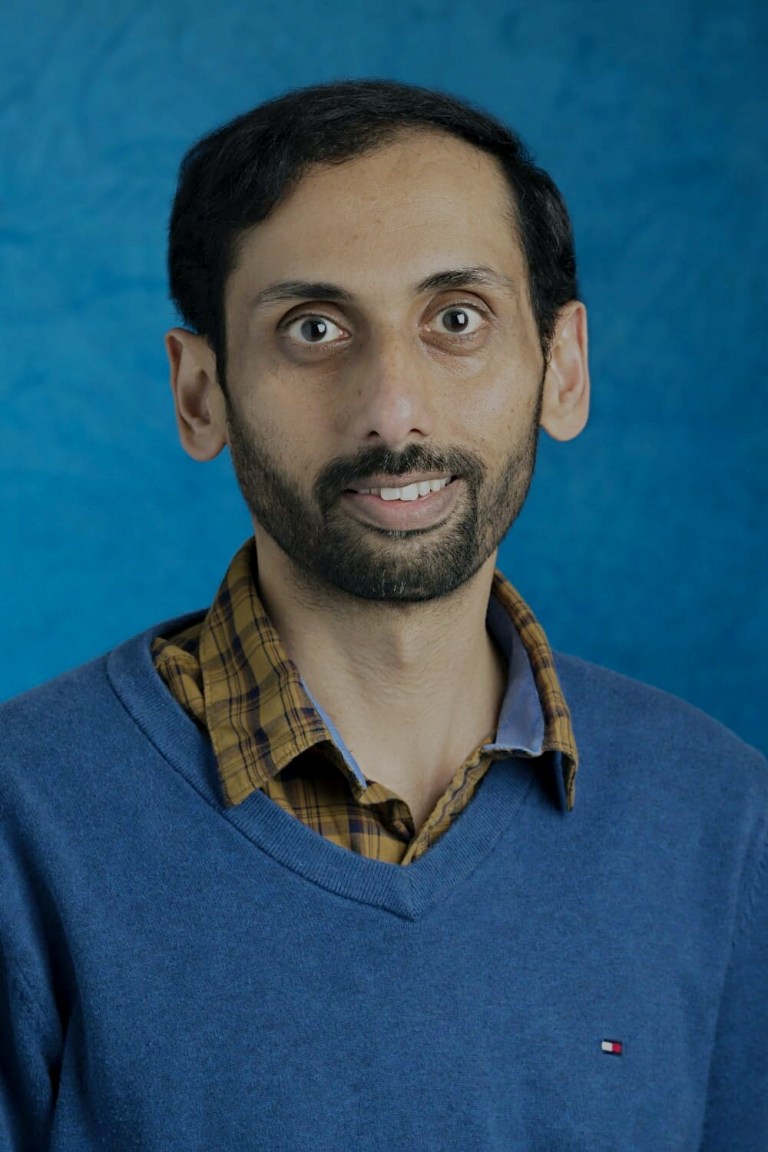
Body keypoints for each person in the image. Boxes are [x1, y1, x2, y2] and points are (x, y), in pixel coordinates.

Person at [1, 79, 765, 1152]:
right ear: (200, 394)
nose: (392, 409)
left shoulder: (722, 819)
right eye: (313, 327)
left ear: (564, 366)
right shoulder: (20, 825)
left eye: (457, 319)